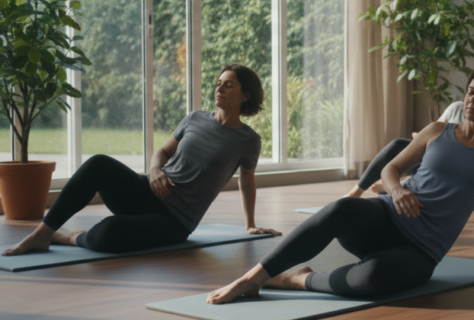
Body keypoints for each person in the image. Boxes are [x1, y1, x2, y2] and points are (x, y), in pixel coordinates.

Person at [207, 67, 474, 303]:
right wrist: (398, 189)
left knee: (373, 281)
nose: (472, 99)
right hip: (384, 219)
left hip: (420, 251)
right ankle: (252, 279)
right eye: (470, 91)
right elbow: (391, 167)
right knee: (342, 208)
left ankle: (297, 280)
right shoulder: (437, 130)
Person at [3, 64, 281, 256]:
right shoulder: (195, 117)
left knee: (110, 232)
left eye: (228, 85)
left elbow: (247, 181)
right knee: (98, 163)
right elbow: (161, 152)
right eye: (218, 83)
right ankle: (42, 233)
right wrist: (155, 170)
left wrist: (250, 224)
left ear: (246, 95)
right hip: (147, 191)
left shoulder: (247, 140)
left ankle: (64, 237)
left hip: (174, 221)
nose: (219, 89)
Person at [342, 101, 468, 199]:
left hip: (454, 176)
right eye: (471, 92)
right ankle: (357, 191)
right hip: (434, 160)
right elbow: (430, 135)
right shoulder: (456, 108)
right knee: (399, 144)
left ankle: (394, 186)